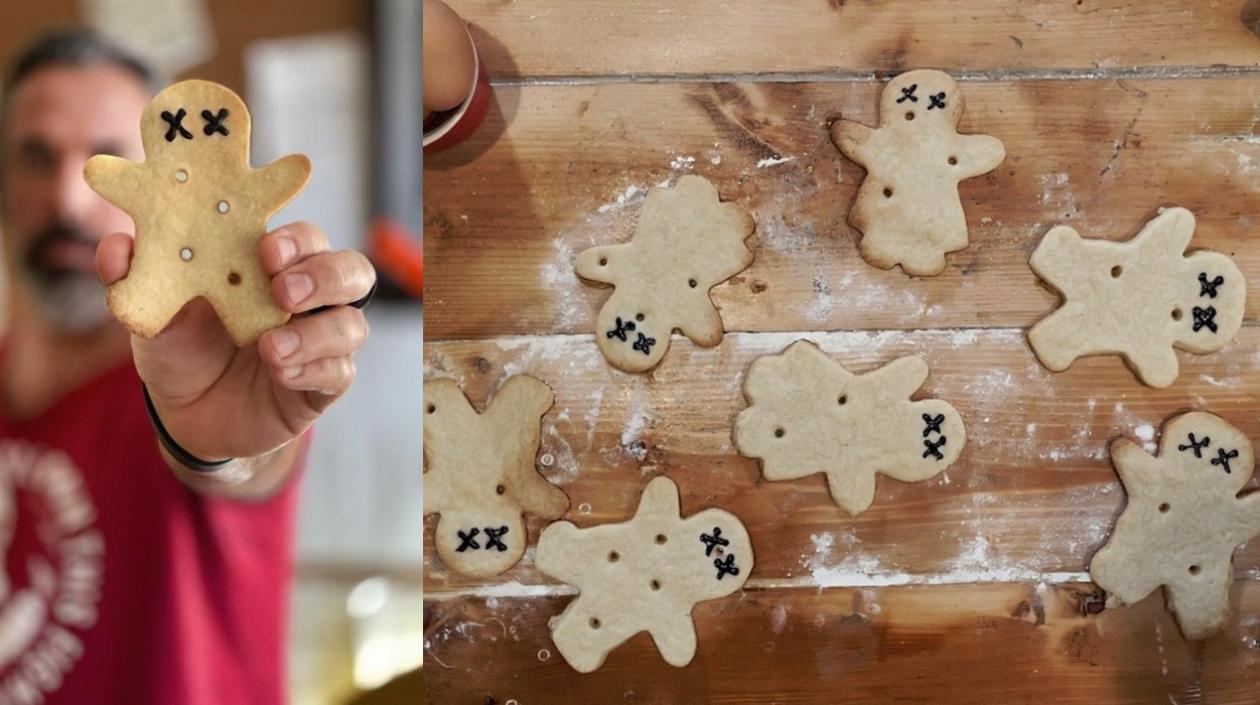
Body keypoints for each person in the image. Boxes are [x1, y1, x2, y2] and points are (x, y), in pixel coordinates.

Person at [0, 29, 375, 704]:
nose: (67, 200)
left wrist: (210, 446)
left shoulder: (207, 375)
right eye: (35, 156)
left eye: (104, 156)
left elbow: (239, 460)